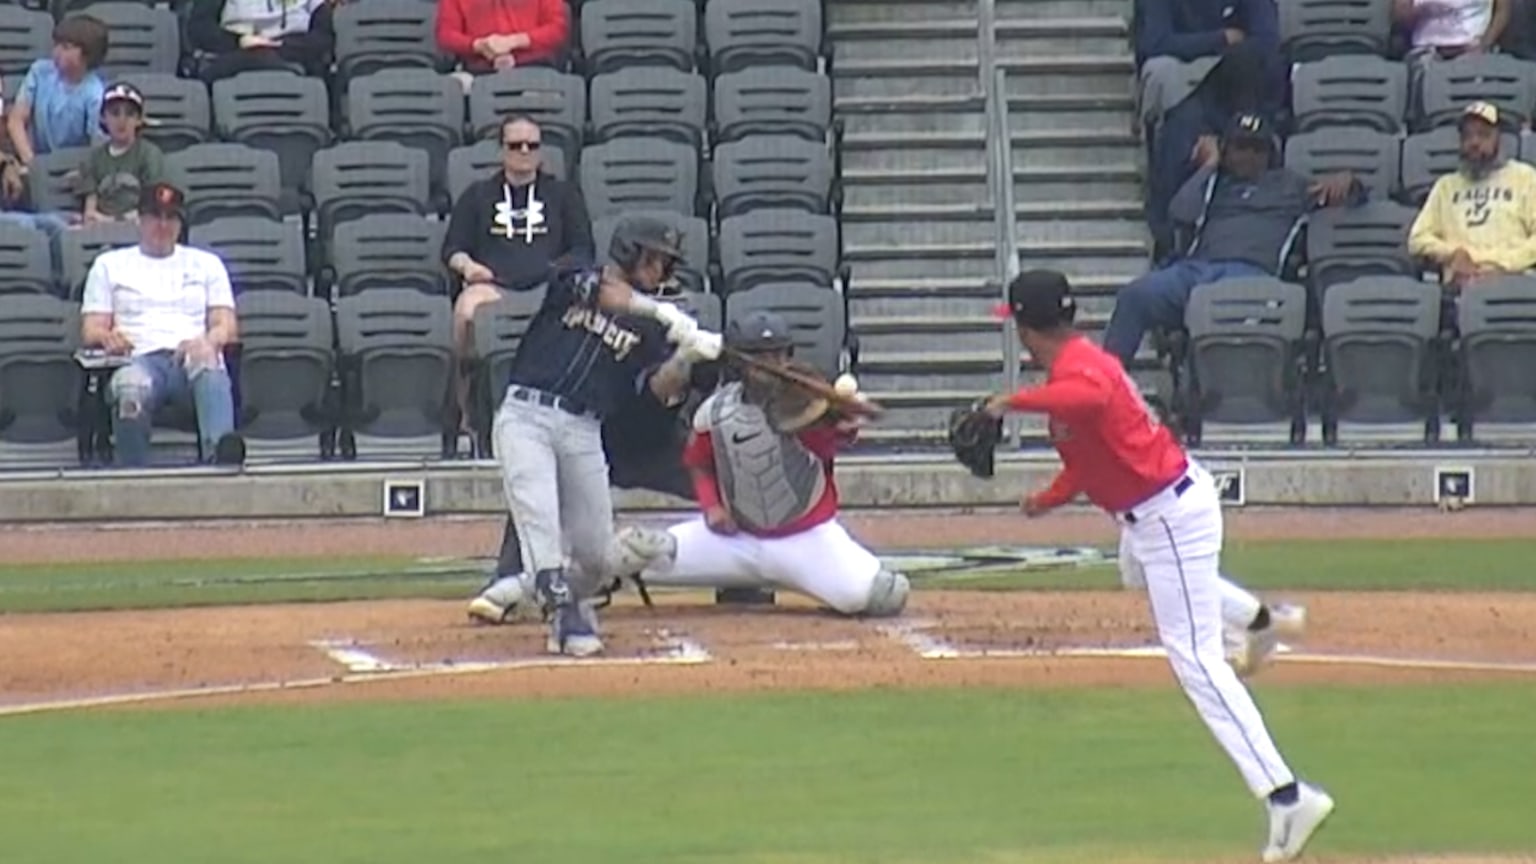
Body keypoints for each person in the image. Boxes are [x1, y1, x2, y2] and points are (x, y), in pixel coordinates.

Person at [979, 269, 1333, 862]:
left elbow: (1087, 400)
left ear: (1025, 326)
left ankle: (1286, 795)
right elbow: (1089, 464)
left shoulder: (1081, 371)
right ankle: (1262, 621)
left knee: (1196, 659)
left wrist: (1005, 402)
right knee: (1139, 575)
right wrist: (1045, 500)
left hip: (1168, 515)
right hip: (1157, 512)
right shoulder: (1075, 364)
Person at [480, 215, 721, 656]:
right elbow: (609, 296)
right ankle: (564, 616)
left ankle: (540, 593)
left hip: (584, 430)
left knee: (596, 555)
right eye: (654, 259)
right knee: (542, 534)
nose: (661, 271)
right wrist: (663, 312)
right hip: (526, 416)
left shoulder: (649, 328)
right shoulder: (577, 275)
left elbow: (652, 391)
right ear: (629, 251)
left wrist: (685, 359)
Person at [596, 310, 910, 619]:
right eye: (760, 356)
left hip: (807, 538)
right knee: (634, 553)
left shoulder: (807, 404)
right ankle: (574, 590)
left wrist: (840, 422)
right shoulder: (714, 412)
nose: (770, 364)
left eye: (777, 355)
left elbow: (829, 444)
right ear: (740, 363)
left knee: (882, 595)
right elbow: (699, 464)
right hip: (736, 539)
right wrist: (712, 508)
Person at [1108, 112, 1362, 366]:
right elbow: (1179, 212)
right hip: (1196, 270)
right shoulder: (1214, 183)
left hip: (1251, 275)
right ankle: (1106, 385)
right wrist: (1209, 165)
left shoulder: (1291, 186)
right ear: (1226, 149)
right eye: (1240, 147)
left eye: (1257, 148)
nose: (1248, 156)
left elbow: (1355, 199)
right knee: (1134, 296)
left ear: (1269, 153)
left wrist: (1350, 182)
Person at [79, 183, 245, 468]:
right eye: (155, 217)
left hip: (189, 356)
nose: (163, 225)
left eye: (171, 218)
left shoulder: (207, 264)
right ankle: (134, 473)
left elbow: (226, 324)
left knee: (211, 362)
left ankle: (220, 456)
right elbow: (91, 328)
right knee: (130, 386)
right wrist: (108, 338)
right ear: (140, 220)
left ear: (180, 223)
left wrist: (209, 341)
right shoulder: (109, 265)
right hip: (136, 357)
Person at [443, 115, 592, 431]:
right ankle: (466, 409)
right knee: (465, 311)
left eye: (532, 145)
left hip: (548, 286)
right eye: (515, 145)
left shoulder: (564, 194)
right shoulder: (477, 195)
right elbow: (452, 249)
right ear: (502, 150)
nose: (524, 151)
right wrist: (469, 267)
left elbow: (583, 249)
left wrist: (558, 271)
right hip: (495, 285)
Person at [0, 14, 109, 237]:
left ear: (88, 55)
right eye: (57, 45)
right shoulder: (40, 72)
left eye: (67, 47)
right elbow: (16, 120)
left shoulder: (95, 95)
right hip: (31, 163)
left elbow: (96, 148)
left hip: (70, 172)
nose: (57, 52)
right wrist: (31, 162)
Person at [1408, 101, 1536, 290]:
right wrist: (1453, 254)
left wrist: (1502, 266)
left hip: (1515, 282)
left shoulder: (1525, 178)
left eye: (1484, 134)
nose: (1474, 142)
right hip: (1460, 285)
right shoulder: (1446, 186)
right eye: (1467, 136)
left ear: (1498, 139)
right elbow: (1417, 240)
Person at [1134, 0, 1278, 138]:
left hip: (1230, 69)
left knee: (1249, 61)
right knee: (1161, 71)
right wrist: (1220, 38)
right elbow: (1155, 43)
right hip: (1180, 66)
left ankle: (1242, 142)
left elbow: (1266, 40)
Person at [77, 82, 165, 224]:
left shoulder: (149, 155)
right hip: (102, 233)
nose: (121, 121)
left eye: (130, 114)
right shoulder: (94, 158)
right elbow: (90, 212)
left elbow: (152, 206)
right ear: (103, 118)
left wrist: (116, 220)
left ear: (139, 120)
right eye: (115, 113)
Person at [186, 0, 338, 82]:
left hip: (291, 52)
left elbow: (324, 36)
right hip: (235, 52)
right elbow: (200, 29)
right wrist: (239, 41)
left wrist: (280, 46)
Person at [435, 0, 568, 84]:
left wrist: (514, 41)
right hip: (478, 70)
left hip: (534, 67)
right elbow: (446, 35)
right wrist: (478, 45)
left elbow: (557, 29)